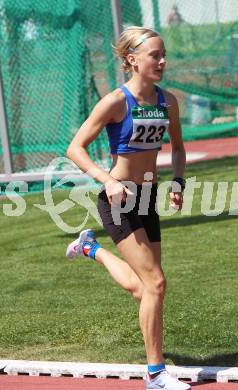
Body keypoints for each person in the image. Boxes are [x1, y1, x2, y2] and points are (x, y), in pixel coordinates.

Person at [65, 26, 189, 390]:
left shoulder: (167, 101)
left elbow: (178, 147)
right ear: (132, 60)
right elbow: (75, 148)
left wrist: (178, 182)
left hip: (147, 198)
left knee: (144, 288)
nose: (162, 61)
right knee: (156, 283)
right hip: (118, 201)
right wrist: (107, 180)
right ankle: (155, 374)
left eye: (164, 54)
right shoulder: (115, 102)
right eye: (155, 55)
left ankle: (90, 248)